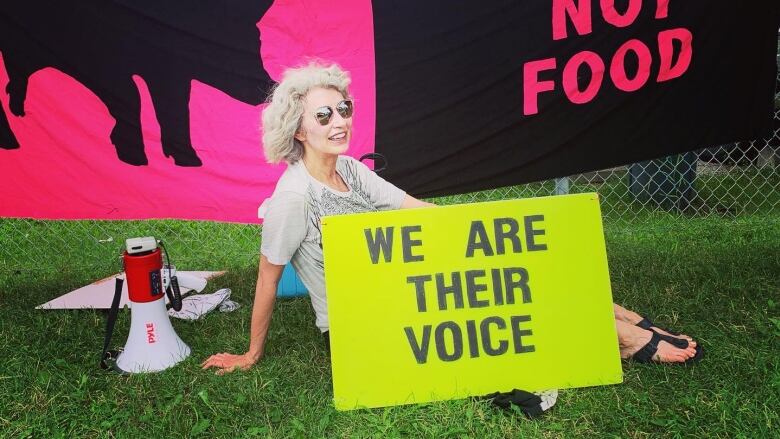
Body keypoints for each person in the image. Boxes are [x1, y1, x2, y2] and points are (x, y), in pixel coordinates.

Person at [202, 62, 700, 375]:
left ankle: (606, 313)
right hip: (362, 325)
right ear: (299, 130)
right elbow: (269, 278)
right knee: (496, 299)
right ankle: (620, 333)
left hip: (405, 284)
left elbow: (417, 209)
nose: (341, 122)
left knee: (510, 268)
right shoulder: (293, 197)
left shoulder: (351, 169)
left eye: (344, 108)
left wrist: (483, 236)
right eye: (324, 116)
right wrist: (251, 354)